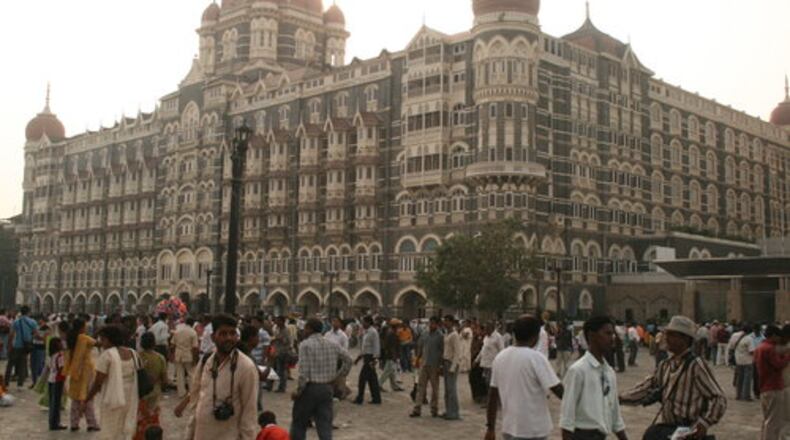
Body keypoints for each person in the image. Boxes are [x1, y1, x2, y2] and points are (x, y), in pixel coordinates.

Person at [621, 315, 726, 440]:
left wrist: (705, 423)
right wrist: (619, 398)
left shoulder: (696, 365)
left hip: (688, 432)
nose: (666, 338)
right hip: (669, 429)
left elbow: (719, 398)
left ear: (685, 339)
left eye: (671, 335)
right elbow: (646, 388)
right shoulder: (665, 365)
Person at [484, 315, 563, 440]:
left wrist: (490, 428)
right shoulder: (536, 358)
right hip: (533, 430)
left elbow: (492, 395)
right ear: (536, 336)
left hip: (510, 427)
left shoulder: (500, 357)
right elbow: (558, 390)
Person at [189, 314, 259, 440]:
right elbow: (196, 401)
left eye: (232, 333)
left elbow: (250, 412)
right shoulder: (207, 361)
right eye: (223, 334)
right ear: (213, 337)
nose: (229, 338)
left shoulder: (246, 367)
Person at [560, 316, 628, 440]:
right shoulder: (578, 371)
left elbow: (615, 415)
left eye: (613, 334)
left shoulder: (609, 372)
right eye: (607, 333)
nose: (612, 339)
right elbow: (567, 417)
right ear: (592, 336)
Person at [290, 318, 352, 440]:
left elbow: (303, 372)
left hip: (310, 388)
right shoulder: (332, 344)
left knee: (299, 423)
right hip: (327, 388)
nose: (304, 331)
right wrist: (338, 376)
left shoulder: (305, 345)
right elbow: (348, 360)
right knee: (324, 425)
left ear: (309, 329)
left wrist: (298, 391)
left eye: (305, 328)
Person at [84, 324, 140, 440]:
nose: (101, 343)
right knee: (125, 428)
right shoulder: (133, 353)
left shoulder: (107, 355)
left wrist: (87, 399)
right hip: (131, 397)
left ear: (110, 339)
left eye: (103, 339)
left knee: (110, 429)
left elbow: (98, 382)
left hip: (112, 397)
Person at [753, 325, 790, 440]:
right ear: (774, 335)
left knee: (768, 420)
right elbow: (778, 365)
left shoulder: (760, 347)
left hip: (765, 386)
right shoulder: (769, 348)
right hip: (774, 386)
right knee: (773, 422)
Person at [64, 318, 100, 432]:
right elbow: (97, 342)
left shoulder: (70, 338)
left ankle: (74, 423)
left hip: (75, 370)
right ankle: (91, 423)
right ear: (81, 328)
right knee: (88, 396)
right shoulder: (83, 337)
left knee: (75, 397)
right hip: (86, 370)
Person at [135, 332, 168, 440]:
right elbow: (164, 379)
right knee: (153, 419)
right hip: (155, 392)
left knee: (139, 420)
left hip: (139, 394)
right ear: (154, 343)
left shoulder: (137, 356)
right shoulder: (160, 358)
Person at [410, 316, 444, 418]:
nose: (431, 325)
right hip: (424, 364)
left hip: (434, 366)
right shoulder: (424, 334)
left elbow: (442, 352)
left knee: (434, 389)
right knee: (421, 387)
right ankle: (417, 408)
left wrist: (440, 365)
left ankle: (434, 409)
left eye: (433, 323)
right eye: (430, 323)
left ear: (437, 324)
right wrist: (417, 359)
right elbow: (420, 347)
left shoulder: (440, 336)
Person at [6, 306, 39, 388]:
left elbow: (11, 335)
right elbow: (36, 334)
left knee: (10, 364)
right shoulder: (33, 322)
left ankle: (6, 382)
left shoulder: (16, 322)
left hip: (16, 345)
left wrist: (9, 345)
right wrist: (30, 337)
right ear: (28, 312)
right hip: (26, 347)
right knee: (22, 365)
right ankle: (20, 384)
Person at [353, 316, 381, 405]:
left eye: (364, 322)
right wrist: (359, 357)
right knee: (372, 379)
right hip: (366, 356)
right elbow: (364, 347)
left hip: (370, 358)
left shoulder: (373, 332)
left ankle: (359, 398)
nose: (362, 324)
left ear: (369, 322)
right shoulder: (366, 332)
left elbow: (376, 346)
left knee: (362, 378)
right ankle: (376, 398)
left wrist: (375, 359)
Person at [172, 317, 199, 398]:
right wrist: (195, 359)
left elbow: (172, 345)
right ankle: (192, 392)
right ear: (193, 323)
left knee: (180, 375)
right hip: (188, 355)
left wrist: (172, 354)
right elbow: (195, 348)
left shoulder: (177, 331)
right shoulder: (193, 332)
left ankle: (181, 393)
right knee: (191, 374)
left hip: (178, 355)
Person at [442, 315, 462, 420]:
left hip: (451, 363)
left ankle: (454, 412)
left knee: (452, 389)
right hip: (445, 362)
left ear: (451, 322)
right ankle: (448, 410)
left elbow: (457, 352)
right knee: (446, 389)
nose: (445, 323)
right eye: (444, 321)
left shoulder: (455, 335)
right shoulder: (446, 334)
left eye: (446, 321)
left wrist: (453, 367)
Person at [324, 317, 350, 400]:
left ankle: (340, 392)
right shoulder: (327, 334)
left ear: (340, 324)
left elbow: (345, 349)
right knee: (329, 377)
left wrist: (342, 359)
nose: (334, 323)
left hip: (338, 359)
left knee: (337, 377)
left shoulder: (343, 336)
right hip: (328, 358)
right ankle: (335, 392)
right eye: (333, 321)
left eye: (336, 322)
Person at [475, 322, 503, 394]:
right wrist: (476, 360)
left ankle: (494, 401)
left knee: (492, 383)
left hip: (493, 364)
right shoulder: (486, 337)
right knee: (486, 382)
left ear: (491, 328)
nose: (485, 330)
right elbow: (483, 350)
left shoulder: (498, 337)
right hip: (485, 364)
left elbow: (502, 351)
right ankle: (488, 399)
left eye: (487, 329)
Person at [47, 337, 67, 431]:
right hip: (58, 380)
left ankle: (52, 422)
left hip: (51, 379)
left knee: (52, 402)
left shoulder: (51, 355)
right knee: (56, 403)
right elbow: (61, 369)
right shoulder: (60, 355)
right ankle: (55, 423)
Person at [379, 319, 404, 392]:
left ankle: (394, 386)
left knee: (392, 372)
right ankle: (379, 384)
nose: (399, 327)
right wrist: (394, 356)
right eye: (398, 325)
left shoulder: (391, 332)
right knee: (387, 371)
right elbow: (392, 346)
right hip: (391, 355)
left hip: (390, 355)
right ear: (395, 326)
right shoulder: (392, 334)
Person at [272, 316, 294, 393]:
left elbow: (287, 341)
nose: (276, 322)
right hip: (278, 352)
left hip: (284, 352)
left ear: (282, 321)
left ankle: (282, 387)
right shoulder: (278, 329)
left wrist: (278, 338)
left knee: (282, 370)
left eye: (278, 321)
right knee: (279, 370)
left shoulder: (286, 330)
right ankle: (280, 386)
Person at [734, 325, 756, 401]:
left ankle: (738, 394)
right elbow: (752, 351)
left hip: (738, 361)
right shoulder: (749, 339)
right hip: (747, 361)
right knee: (747, 379)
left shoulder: (735, 336)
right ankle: (746, 396)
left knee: (739, 378)